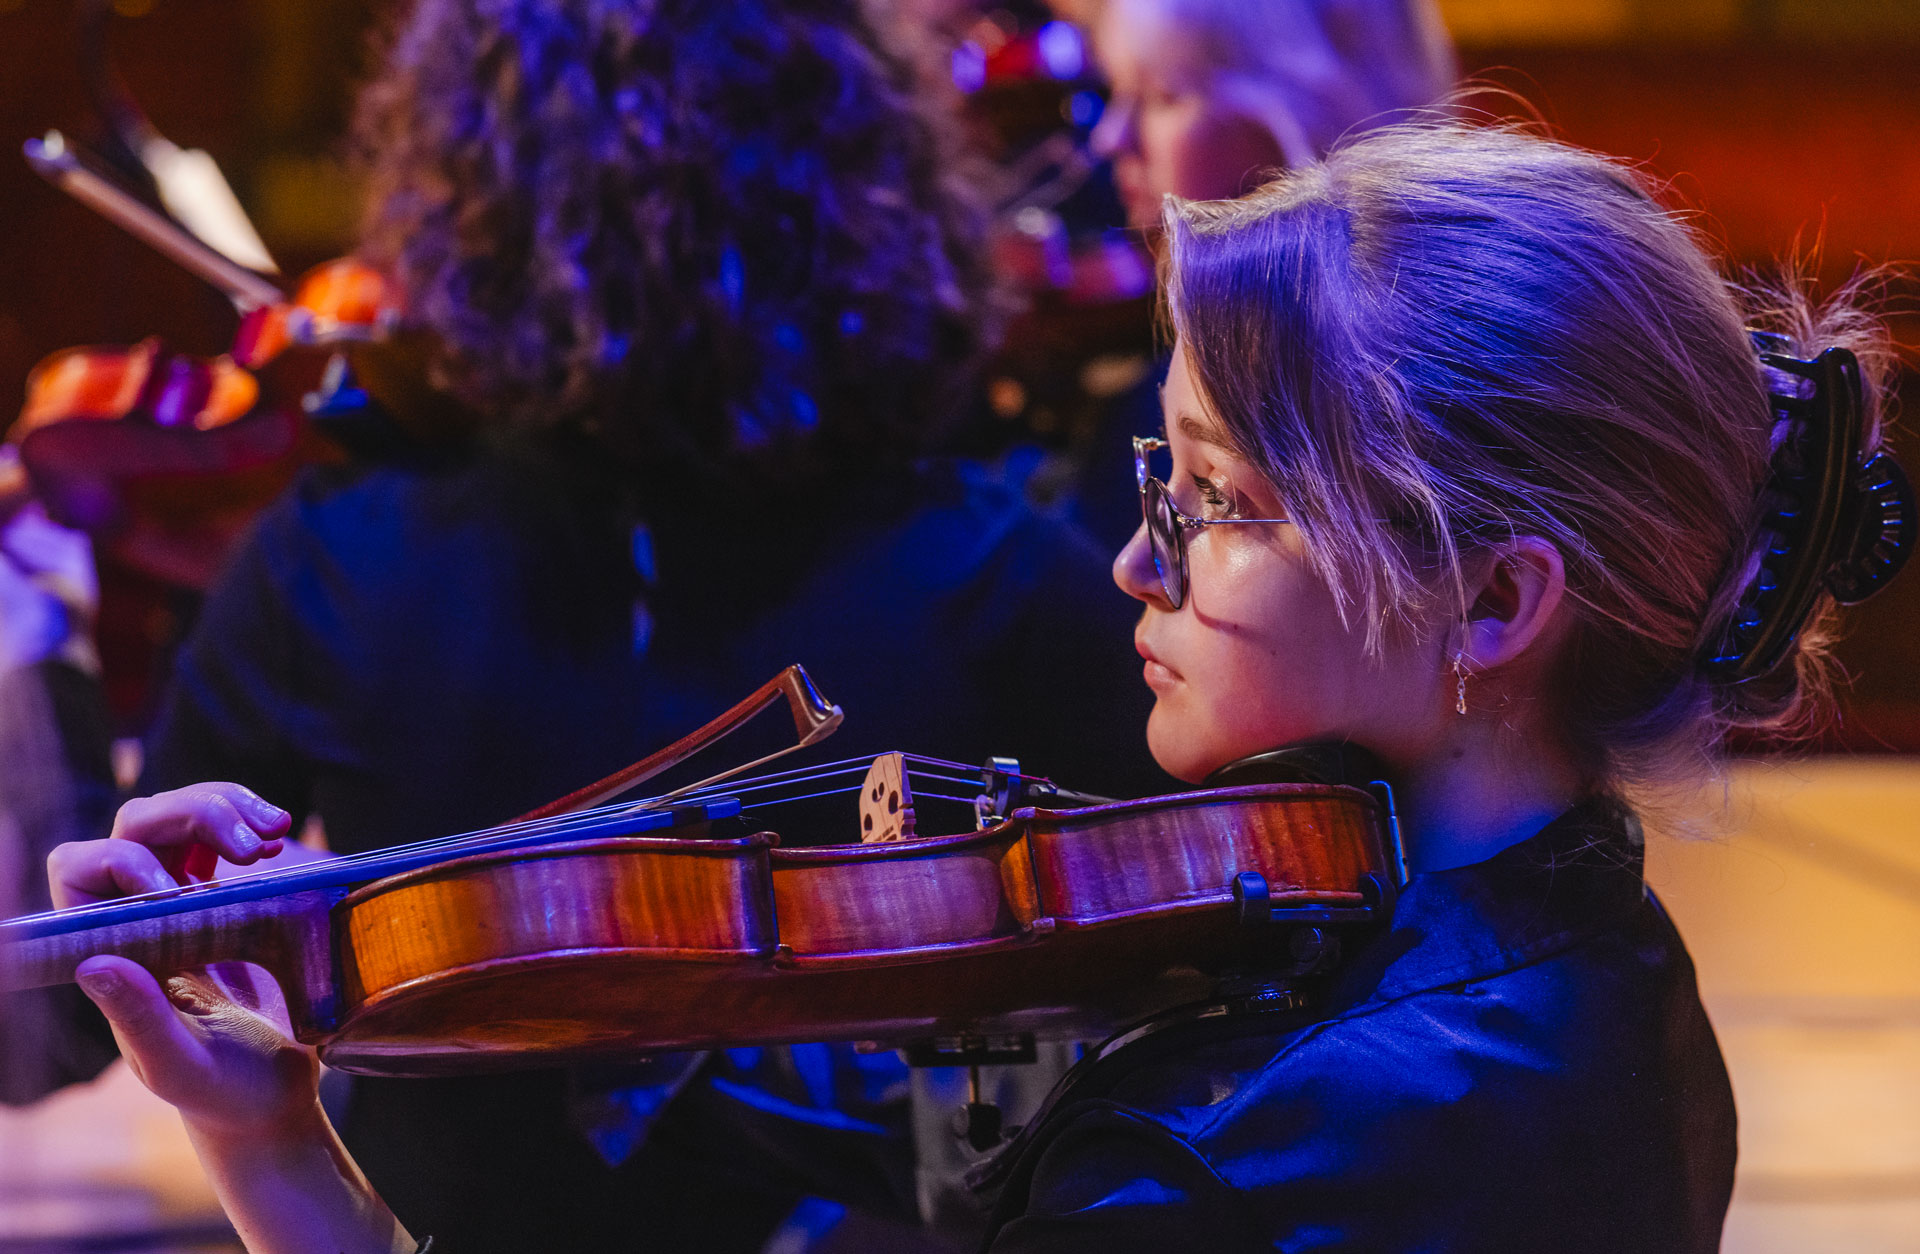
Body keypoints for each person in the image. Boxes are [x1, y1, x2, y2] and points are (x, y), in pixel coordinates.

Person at [41, 120, 1910, 1250]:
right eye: (1160, 479)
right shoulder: (1593, 955)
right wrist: (278, 1109)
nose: (1136, 560)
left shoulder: (1240, 1162)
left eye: (1223, 502)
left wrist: (281, 1162)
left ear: (1493, 599)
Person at [3, 0, 1164, 1250]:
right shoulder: (1005, 567)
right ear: (869, 192)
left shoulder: (332, 558)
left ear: (468, 194)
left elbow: (63, 1023)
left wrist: (39, 671)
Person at [1062, 0, 1459, 549]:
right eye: (1116, 93)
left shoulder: (1355, 407)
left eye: (1163, 96)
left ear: (1303, 113)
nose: (1111, 139)